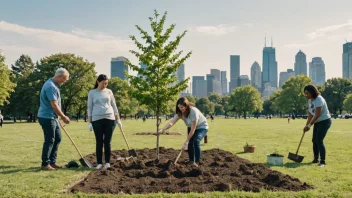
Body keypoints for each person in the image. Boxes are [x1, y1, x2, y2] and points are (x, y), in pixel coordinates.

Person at [158, 97, 208, 167]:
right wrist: (163, 129)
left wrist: (186, 141)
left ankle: (197, 162)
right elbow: (171, 122)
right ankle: (191, 160)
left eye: (182, 107)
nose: (180, 109)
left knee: (196, 141)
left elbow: (193, 129)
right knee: (190, 143)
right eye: (179, 107)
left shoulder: (193, 111)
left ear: (186, 105)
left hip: (201, 127)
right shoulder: (180, 113)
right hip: (191, 127)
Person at [38, 68, 71, 171]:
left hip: (52, 117)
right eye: (64, 79)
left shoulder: (54, 85)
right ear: (59, 76)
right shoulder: (51, 86)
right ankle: (45, 164)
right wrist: (63, 116)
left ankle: (52, 162)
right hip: (47, 117)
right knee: (50, 140)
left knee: (57, 138)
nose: (64, 82)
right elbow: (54, 105)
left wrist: (57, 117)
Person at [87, 74, 122, 169]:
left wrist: (118, 119)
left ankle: (107, 162)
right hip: (96, 120)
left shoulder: (109, 92)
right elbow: (89, 107)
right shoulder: (92, 93)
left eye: (106, 83)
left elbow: (114, 105)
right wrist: (89, 122)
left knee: (107, 142)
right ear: (98, 82)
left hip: (110, 119)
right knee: (99, 142)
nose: (104, 85)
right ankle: (99, 163)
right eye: (103, 83)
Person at [303, 84, 331, 167]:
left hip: (325, 121)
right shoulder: (309, 100)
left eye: (307, 93)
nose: (306, 95)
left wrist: (310, 125)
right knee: (314, 140)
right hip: (317, 122)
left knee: (319, 140)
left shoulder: (319, 99)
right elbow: (310, 115)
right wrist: (306, 125)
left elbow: (318, 114)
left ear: (312, 92)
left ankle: (322, 162)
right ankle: (316, 159)